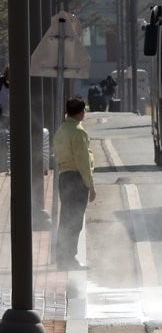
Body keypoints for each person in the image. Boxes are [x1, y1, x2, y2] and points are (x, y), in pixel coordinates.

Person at [54, 97, 95, 270]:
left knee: (65, 218)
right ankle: (69, 259)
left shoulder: (61, 130)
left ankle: (62, 257)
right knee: (75, 220)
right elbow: (83, 161)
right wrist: (91, 186)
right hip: (76, 178)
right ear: (80, 112)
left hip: (64, 177)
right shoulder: (78, 132)